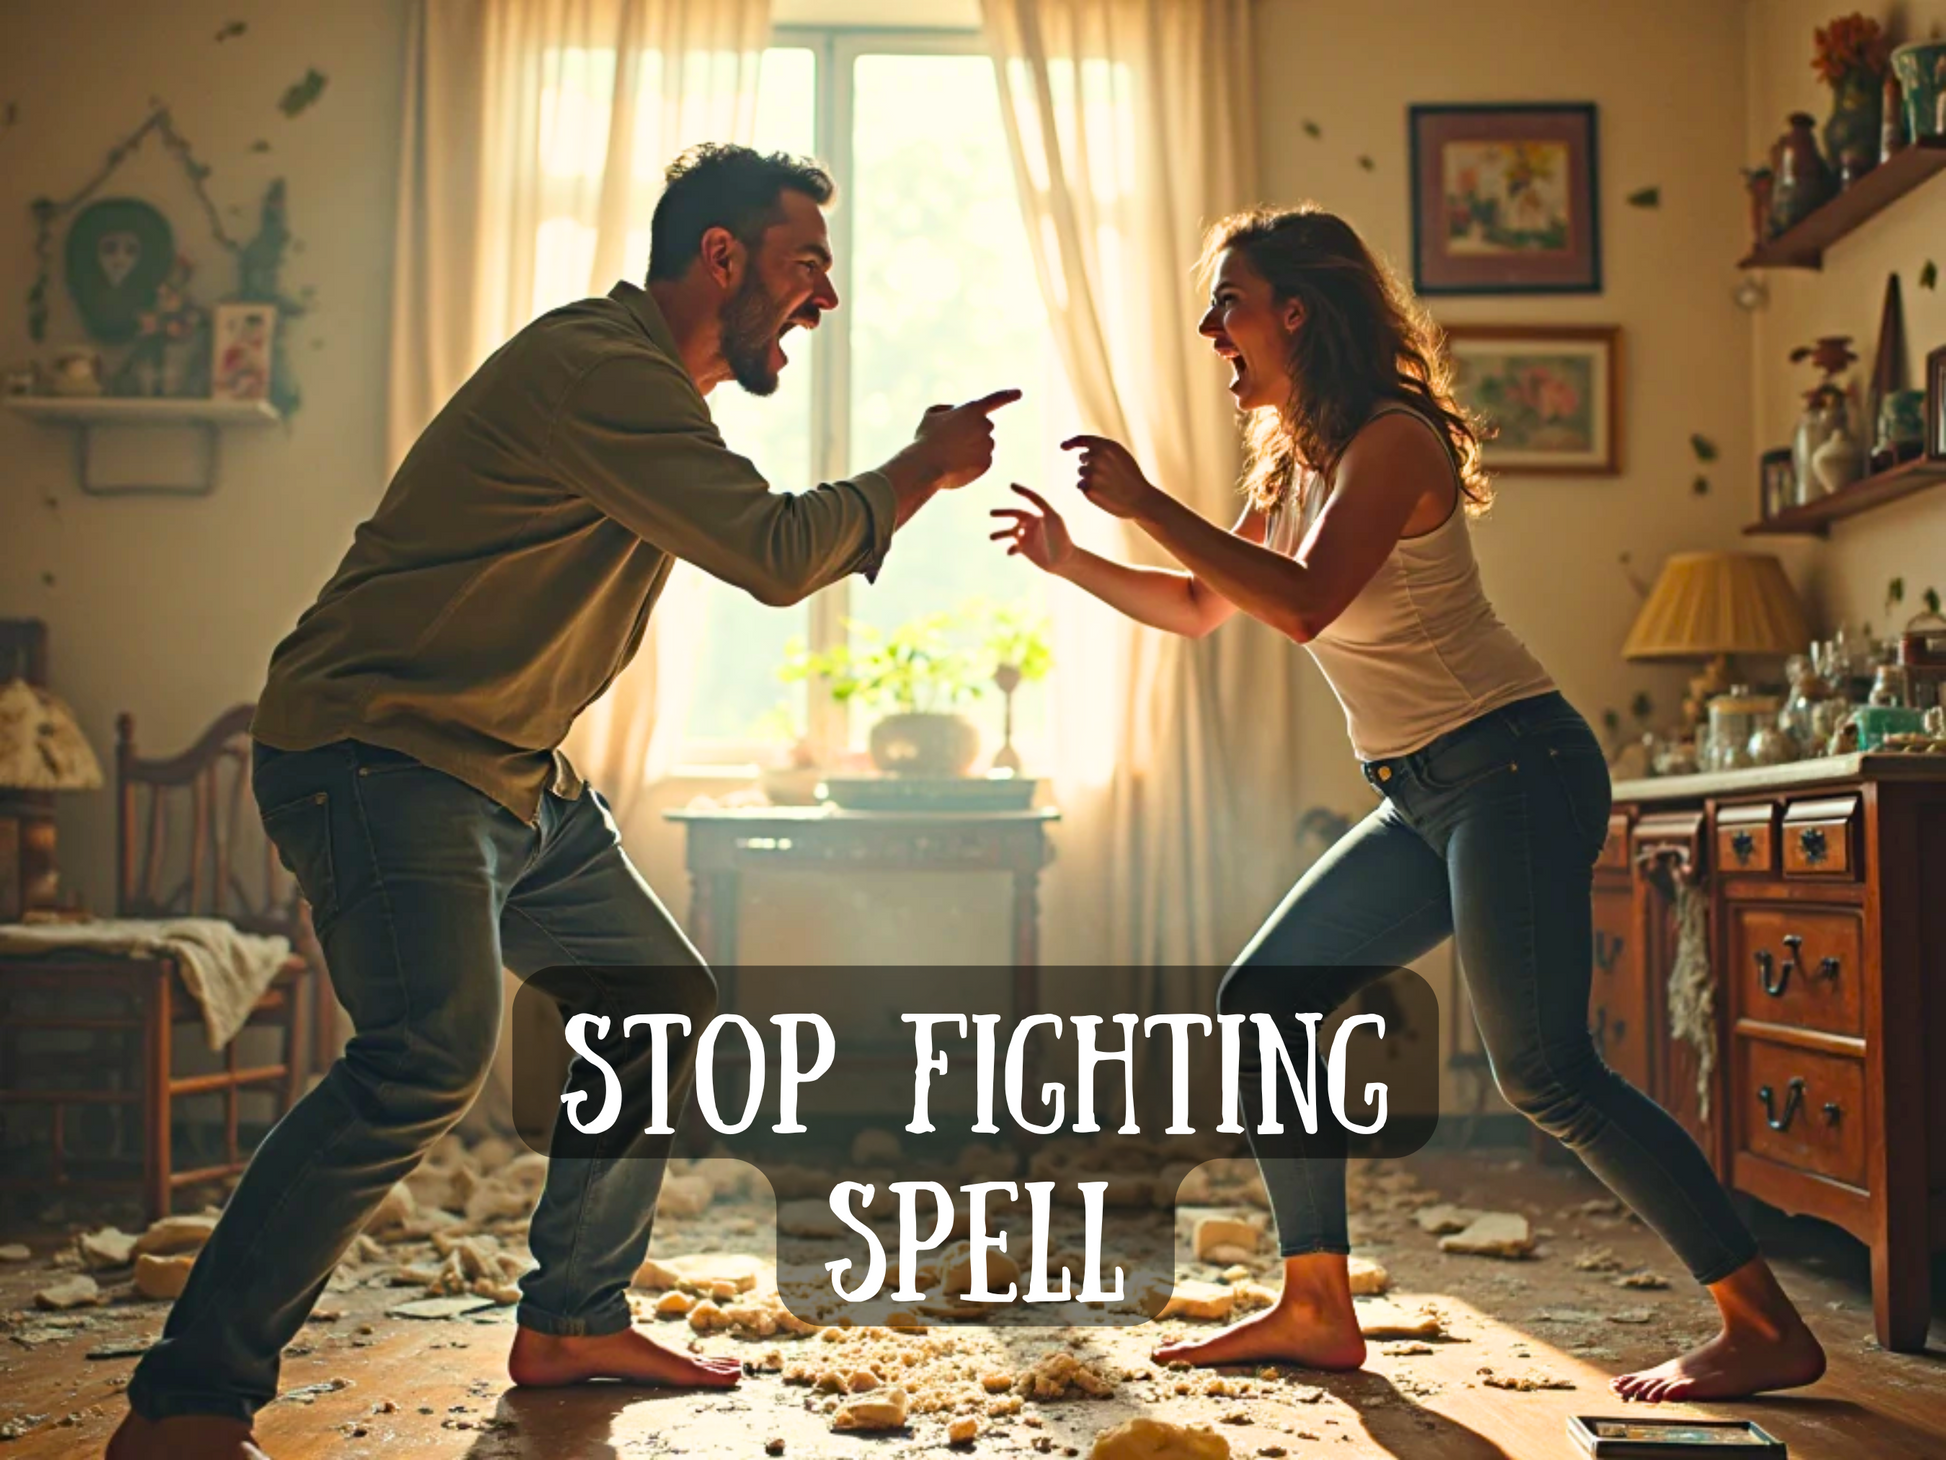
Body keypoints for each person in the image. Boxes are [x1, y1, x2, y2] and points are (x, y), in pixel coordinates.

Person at [109, 143, 1019, 1460]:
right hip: (384, 750)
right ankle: (184, 1407)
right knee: (422, 1058)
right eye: (803, 266)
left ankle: (574, 1322)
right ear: (722, 259)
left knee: (653, 1004)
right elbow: (770, 553)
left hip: (507, 771)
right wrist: (921, 467)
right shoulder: (602, 371)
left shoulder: (645, 395)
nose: (822, 299)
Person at [989, 204, 1826, 1404]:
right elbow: (1194, 605)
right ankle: (1317, 1302)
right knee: (1267, 996)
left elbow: (1305, 602)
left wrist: (1145, 499)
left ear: (1295, 310)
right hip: (1425, 788)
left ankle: (1759, 1322)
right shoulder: (1294, 459)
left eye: (1226, 301)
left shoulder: (1390, 439)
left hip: (1514, 767)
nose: (1206, 326)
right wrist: (1075, 557)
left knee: (1542, 1070)